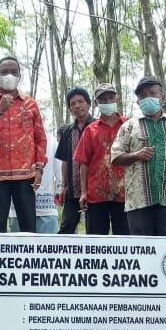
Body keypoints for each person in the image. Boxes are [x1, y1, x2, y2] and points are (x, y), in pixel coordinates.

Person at [0, 56, 47, 233]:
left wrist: (39, 168)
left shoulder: (31, 103)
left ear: (20, 76)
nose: (9, 75)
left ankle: (29, 260)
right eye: (4, 72)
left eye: (14, 72)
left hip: (25, 175)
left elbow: (40, 137)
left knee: (28, 225)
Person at [111, 76, 166, 236]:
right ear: (138, 102)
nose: (148, 98)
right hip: (138, 202)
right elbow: (115, 158)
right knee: (142, 252)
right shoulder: (128, 126)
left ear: (163, 98)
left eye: (153, 93)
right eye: (142, 96)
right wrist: (136, 155)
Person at [73, 83, 128, 235]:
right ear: (96, 103)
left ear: (116, 99)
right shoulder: (91, 130)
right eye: (103, 99)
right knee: (96, 240)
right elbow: (83, 162)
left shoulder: (128, 125)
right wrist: (83, 192)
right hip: (96, 195)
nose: (107, 101)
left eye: (111, 97)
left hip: (125, 193)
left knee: (126, 239)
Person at [54, 87, 94, 234]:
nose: (77, 106)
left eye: (81, 102)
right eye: (73, 104)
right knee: (66, 228)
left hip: (93, 190)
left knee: (93, 229)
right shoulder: (67, 132)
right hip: (72, 189)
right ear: (70, 109)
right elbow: (64, 160)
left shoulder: (96, 127)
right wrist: (63, 186)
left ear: (89, 104)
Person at [11, 136, 60, 234]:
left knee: (48, 247)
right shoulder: (15, 137)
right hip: (19, 209)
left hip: (45, 208)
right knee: (21, 247)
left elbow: (59, 170)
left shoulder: (51, 141)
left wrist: (60, 187)